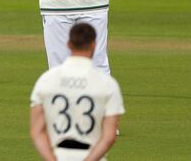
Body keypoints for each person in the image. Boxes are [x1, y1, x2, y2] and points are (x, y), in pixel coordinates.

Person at [30, 22, 124, 161]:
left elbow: (37, 132)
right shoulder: (108, 84)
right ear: (93, 45)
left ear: (68, 44)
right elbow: (109, 136)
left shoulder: (46, 80)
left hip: (59, 155)